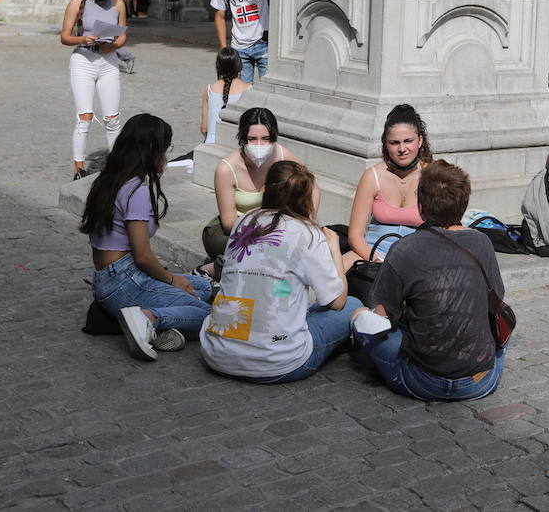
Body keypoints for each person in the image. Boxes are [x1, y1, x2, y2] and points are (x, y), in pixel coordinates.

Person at [353, 161, 507, 401]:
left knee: (360, 317)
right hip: (479, 382)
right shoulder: (482, 243)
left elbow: (382, 317)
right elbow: (497, 298)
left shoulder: (404, 249)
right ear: (464, 205)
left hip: (423, 381)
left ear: (421, 206)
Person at [200, 162, 361, 383]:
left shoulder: (243, 222)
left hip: (216, 353)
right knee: (353, 306)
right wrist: (333, 247)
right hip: (277, 363)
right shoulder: (309, 234)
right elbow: (337, 302)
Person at [82, 114, 214, 361]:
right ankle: (148, 319)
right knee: (209, 315)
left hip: (112, 277)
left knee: (203, 286)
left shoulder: (109, 179)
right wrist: (172, 279)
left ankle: (141, 320)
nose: (166, 156)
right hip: (124, 280)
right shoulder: (135, 189)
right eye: (166, 149)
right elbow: (143, 255)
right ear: (153, 150)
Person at [206, 108, 300, 268]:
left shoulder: (284, 156)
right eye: (252, 139)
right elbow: (229, 222)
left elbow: (311, 187)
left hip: (276, 228)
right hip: (237, 231)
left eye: (265, 139)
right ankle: (214, 270)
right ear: (242, 138)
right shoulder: (227, 168)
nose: (259, 145)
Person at [60, 0, 128, 180]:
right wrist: (83, 39)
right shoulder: (76, 3)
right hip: (83, 61)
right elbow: (64, 37)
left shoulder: (118, 4)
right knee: (85, 117)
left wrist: (114, 46)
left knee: (112, 118)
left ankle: (116, 164)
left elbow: (123, 34)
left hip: (108, 61)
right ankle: (79, 166)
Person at [347, 104, 433, 261]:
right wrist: (377, 261)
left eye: (408, 141)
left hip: (417, 255)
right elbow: (355, 236)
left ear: (420, 140)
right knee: (338, 273)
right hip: (373, 250)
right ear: (386, 144)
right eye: (394, 143)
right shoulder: (372, 177)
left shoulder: (432, 175)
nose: (402, 149)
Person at [201, 47, 250, 146]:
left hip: (212, 142)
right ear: (240, 65)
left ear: (218, 66)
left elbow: (204, 128)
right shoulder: (249, 90)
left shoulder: (210, 89)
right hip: (237, 144)